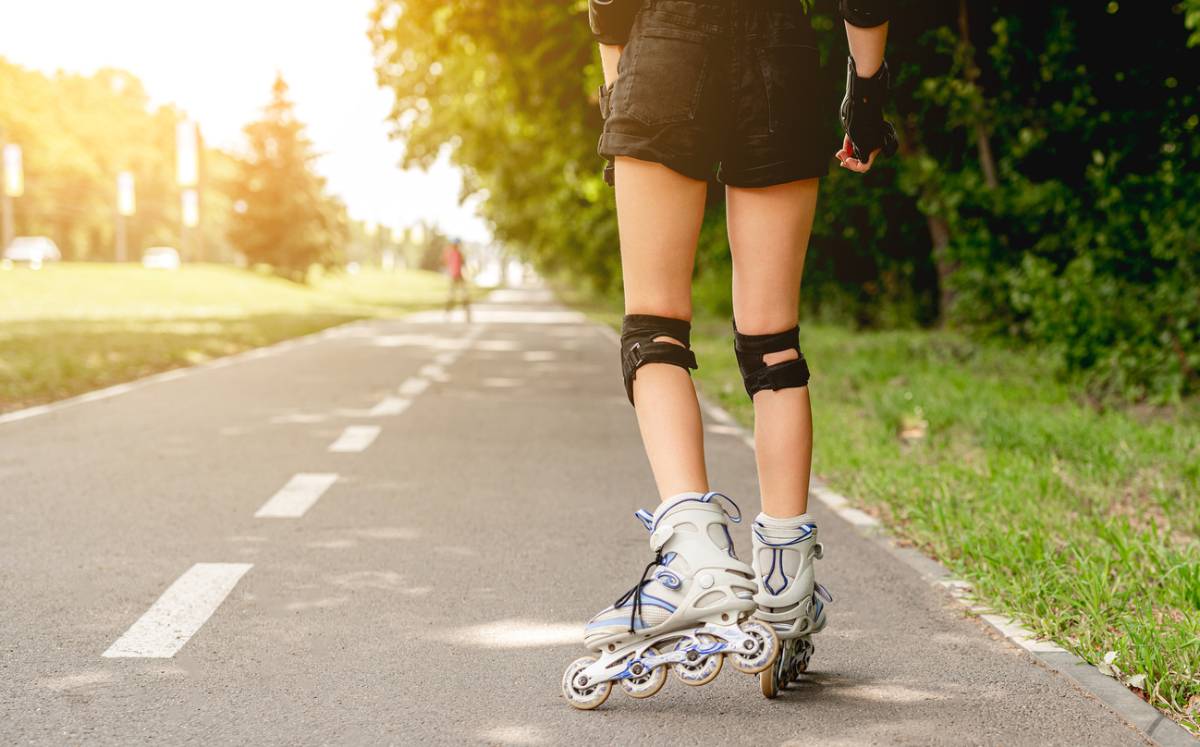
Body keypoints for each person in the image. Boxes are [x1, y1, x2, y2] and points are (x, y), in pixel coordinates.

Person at [561, 0, 896, 708]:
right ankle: (783, 589)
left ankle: (693, 555)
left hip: (665, 47)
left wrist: (618, 93)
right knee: (773, 344)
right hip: (781, 53)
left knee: (655, 330)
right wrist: (865, 97)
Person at [442, 238, 472, 322]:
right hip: (454, 276)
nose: (457, 246)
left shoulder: (457, 253)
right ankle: (448, 313)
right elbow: (448, 264)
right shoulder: (452, 253)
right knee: (452, 295)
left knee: (463, 295)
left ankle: (466, 313)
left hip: (459, 276)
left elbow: (463, 264)